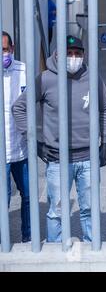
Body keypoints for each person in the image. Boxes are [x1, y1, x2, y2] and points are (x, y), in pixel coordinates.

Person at [12, 35, 106, 243]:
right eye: (69, 53)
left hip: (88, 158)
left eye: (78, 53)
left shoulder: (92, 77)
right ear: (58, 54)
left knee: (89, 209)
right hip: (58, 160)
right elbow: (19, 108)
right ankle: (54, 251)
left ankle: (91, 248)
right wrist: (35, 142)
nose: (73, 57)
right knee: (56, 211)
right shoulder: (46, 79)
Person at [2, 31, 30, 243]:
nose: (3, 54)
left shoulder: (23, 70)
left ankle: (28, 236)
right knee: (3, 199)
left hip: (22, 148)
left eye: (5, 49)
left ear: (12, 49)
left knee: (28, 195)